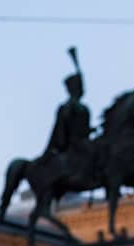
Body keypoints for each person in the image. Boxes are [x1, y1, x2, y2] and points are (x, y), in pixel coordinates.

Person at [44, 47, 95, 186]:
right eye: (79, 86)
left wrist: (91, 131)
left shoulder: (83, 108)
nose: (82, 89)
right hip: (72, 144)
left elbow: (84, 129)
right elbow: (61, 129)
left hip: (82, 142)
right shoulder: (67, 108)